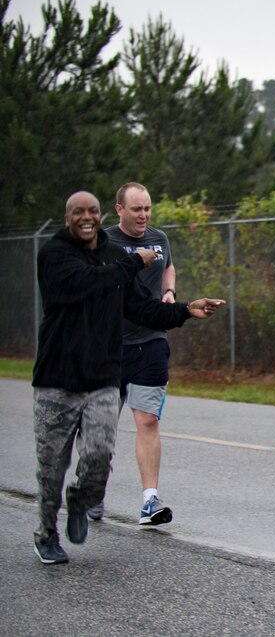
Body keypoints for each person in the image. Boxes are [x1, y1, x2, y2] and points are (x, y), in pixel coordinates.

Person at [32, 191, 223, 565]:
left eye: (91, 211)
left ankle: (81, 500)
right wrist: (133, 262)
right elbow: (82, 285)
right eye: (78, 212)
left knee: (100, 455)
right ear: (67, 217)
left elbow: (140, 308)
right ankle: (46, 534)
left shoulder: (114, 258)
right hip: (57, 377)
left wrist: (186, 309)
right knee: (52, 466)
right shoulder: (54, 255)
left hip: (102, 374)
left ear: (100, 214)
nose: (86, 218)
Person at [85, 183, 177, 526]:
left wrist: (169, 291)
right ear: (119, 209)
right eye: (137, 209)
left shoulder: (160, 239)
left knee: (148, 420)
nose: (143, 216)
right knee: (101, 429)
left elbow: (168, 265)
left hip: (151, 341)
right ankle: (93, 489)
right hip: (109, 346)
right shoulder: (102, 242)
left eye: (148, 209)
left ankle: (149, 501)